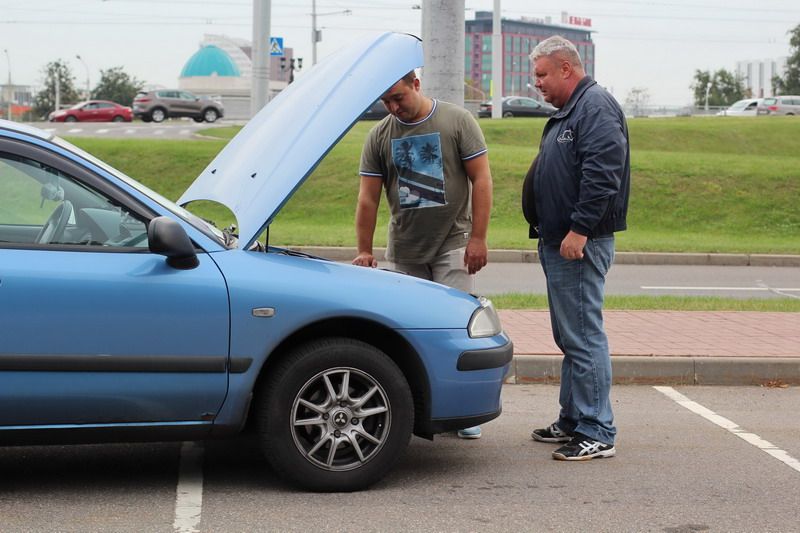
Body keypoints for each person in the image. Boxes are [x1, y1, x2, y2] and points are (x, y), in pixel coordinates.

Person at [353, 70, 493, 440]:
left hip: (454, 241)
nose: (393, 107)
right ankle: (419, 406)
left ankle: (463, 412)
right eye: (386, 102)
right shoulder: (379, 135)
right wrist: (364, 251)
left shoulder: (456, 121)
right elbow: (367, 198)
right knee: (412, 334)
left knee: (455, 329)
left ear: (416, 84)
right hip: (405, 248)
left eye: (399, 97)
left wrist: (478, 238)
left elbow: (482, 179)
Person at [523, 36, 630, 460]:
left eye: (542, 75)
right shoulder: (571, 110)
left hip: (578, 243)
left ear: (566, 68)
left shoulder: (594, 105)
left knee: (583, 336)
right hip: (558, 239)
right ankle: (573, 419)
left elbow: (604, 173)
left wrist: (580, 230)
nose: (538, 84)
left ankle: (598, 430)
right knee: (571, 335)